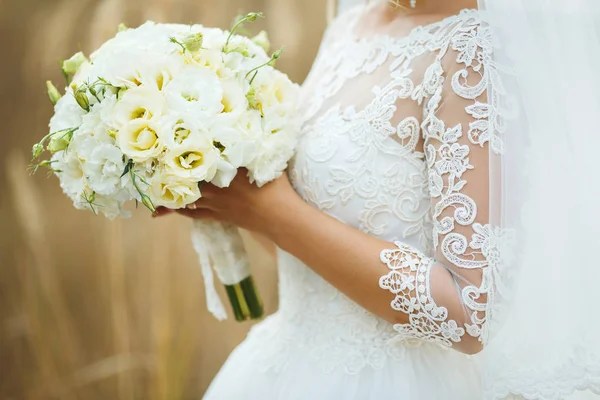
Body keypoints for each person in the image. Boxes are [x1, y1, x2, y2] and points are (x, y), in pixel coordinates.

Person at [157, 0, 600, 398]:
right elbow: (315, 258)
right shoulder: (349, 24)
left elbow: (469, 311)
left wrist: (272, 212)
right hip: (281, 366)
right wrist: (226, 196)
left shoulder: (471, 52)